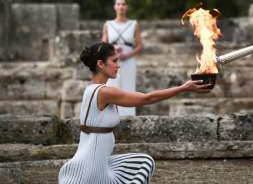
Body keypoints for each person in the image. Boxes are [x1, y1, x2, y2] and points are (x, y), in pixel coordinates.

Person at [58, 42, 210, 184]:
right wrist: (183, 88)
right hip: (90, 168)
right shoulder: (104, 92)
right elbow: (147, 98)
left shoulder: (91, 89)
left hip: (98, 162)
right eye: (114, 61)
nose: (118, 66)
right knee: (145, 163)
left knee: (144, 161)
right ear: (100, 64)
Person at [102, 0, 141, 116]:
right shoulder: (108, 24)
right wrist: (113, 49)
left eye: (123, 4)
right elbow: (103, 45)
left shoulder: (133, 24)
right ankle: (110, 116)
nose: (121, 7)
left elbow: (139, 46)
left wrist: (127, 55)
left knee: (128, 88)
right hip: (112, 61)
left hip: (128, 61)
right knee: (112, 87)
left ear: (127, 7)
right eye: (118, 4)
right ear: (114, 7)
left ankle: (128, 116)